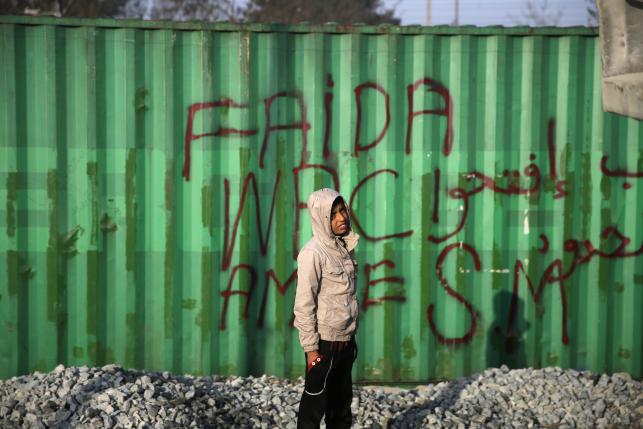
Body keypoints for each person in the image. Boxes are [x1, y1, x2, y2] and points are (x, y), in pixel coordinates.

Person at [293, 188, 360, 429]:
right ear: (322, 218)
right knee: (312, 412)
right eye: (333, 214)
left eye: (342, 210)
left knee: (341, 411)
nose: (341, 217)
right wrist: (311, 349)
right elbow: (303, 304)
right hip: (324, 345)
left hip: (345, 342)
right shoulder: (312, 253)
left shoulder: (343, 248)